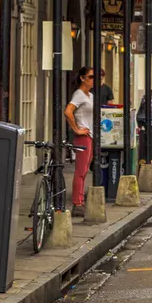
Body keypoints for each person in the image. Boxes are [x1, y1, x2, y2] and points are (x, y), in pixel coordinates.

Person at [64, 66, 96, 218]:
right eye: (90, 77)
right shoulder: (79, 94)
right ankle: (77, 202)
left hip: (89, 136)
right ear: (82, 78)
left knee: (85, 170)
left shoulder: (90, 96)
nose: (93, 80)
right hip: (83, 135)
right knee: (81, 170)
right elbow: (68, 111)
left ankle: (81, 200)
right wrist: (77, 129)